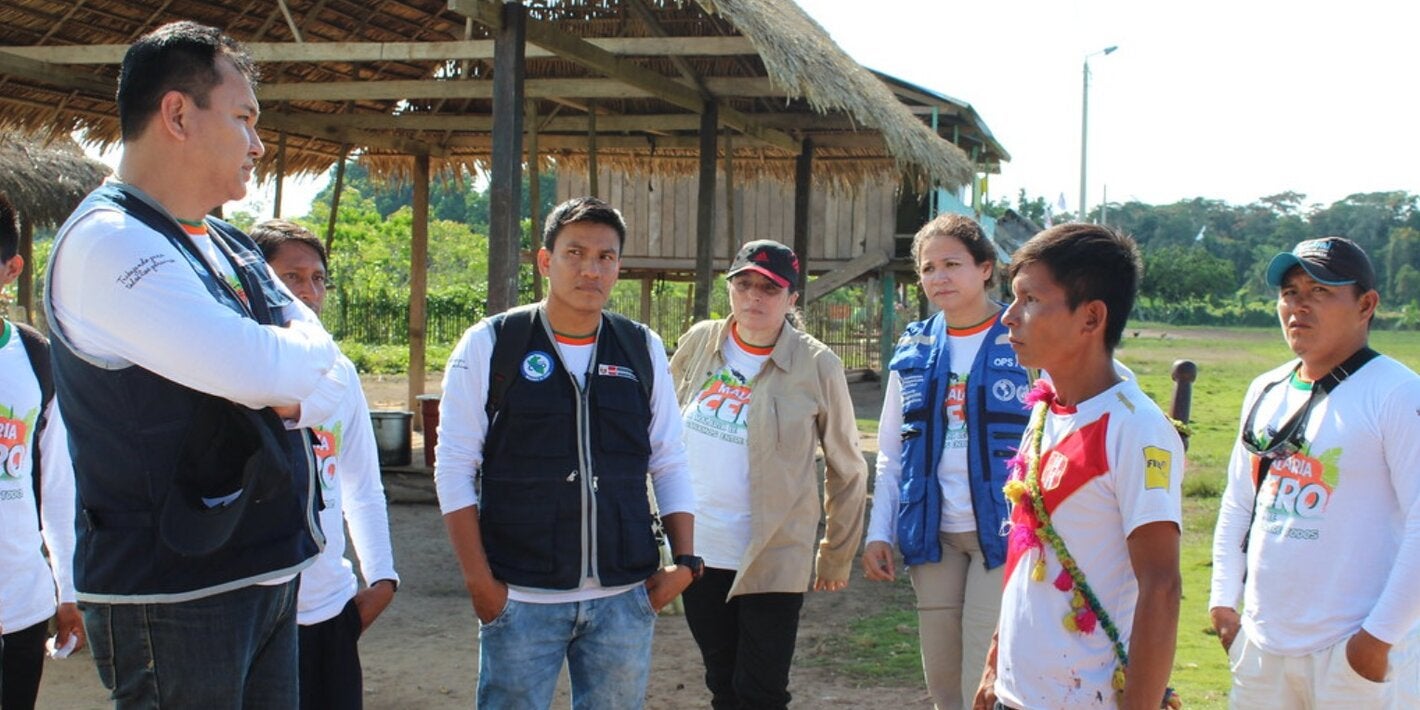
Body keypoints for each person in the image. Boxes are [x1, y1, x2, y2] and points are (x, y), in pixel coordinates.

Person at [44, 21, 344, 707]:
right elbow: (261, 372)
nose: (259, 143)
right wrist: (287, 374)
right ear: (177, 113)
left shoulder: (223, 243)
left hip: (263, 570)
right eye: (243, 118)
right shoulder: (110, 244)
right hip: (172, 591)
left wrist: (291, 373)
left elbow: (333, 378)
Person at [435, 196, 697, 708]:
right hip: (521, 598)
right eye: (575, 253)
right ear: (545, 261)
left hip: (624, 599)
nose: (590, 269)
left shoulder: (641, 347)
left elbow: (668, 458)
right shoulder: (493, 343)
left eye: (605, 257)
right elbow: (454, 465)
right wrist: (481, 585)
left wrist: (684, 564)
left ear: (618, 266)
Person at [975, 224, 1183, 710]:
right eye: (1012, 298)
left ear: (1091, 318)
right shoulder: (1046, 409)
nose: (1009, 317)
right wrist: (994, 663)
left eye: (1029, 299)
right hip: (1017, 692)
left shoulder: (1136, 429)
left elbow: (1163, 586)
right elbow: (1029, 548)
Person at [1209, 236, 1420, 708]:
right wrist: (1224, 604)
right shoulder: (1266, 389)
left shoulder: (1398, 394)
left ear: (1366, 304)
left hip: (1353, 653)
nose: (1298, 306)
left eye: (1320, 291)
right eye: (1290, 292)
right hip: (1263, 650)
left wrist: (1376, 641)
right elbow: (1239, 502)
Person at [670, 239, 867, 709]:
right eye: (744, 284)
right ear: (730, 287)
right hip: (700, 550)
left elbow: (848, 468)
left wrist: (836, 553)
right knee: (722, 681)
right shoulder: (700, 342)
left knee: (760, 692)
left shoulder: (818, 364)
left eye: (769, 288)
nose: (754, 297)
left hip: (776, 552)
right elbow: (659, 428)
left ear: (792, 299)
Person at [861, 214, 1028, 710]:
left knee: (986, 673)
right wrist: (879, 531)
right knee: (942, 680)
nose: (940, 277)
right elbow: (892, 448)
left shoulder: (1026, 337)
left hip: (1004, 530)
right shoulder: (914, 346)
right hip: (932, 533)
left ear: (985, 268)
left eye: (953, 264)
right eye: (929, 268)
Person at [252, 220, 399, 710]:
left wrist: (381, 578)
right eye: (292, 277)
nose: (309, 292)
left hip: (330, 610)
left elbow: (361, 482)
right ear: (255, 280)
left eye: (318, 279)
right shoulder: (233, 375)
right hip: (253, 612)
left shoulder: (340, 371)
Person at [0, 194, 84, 710]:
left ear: (10, 269)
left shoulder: (36, 360)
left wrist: (66, 590)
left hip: (20, 606)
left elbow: (57, 486)